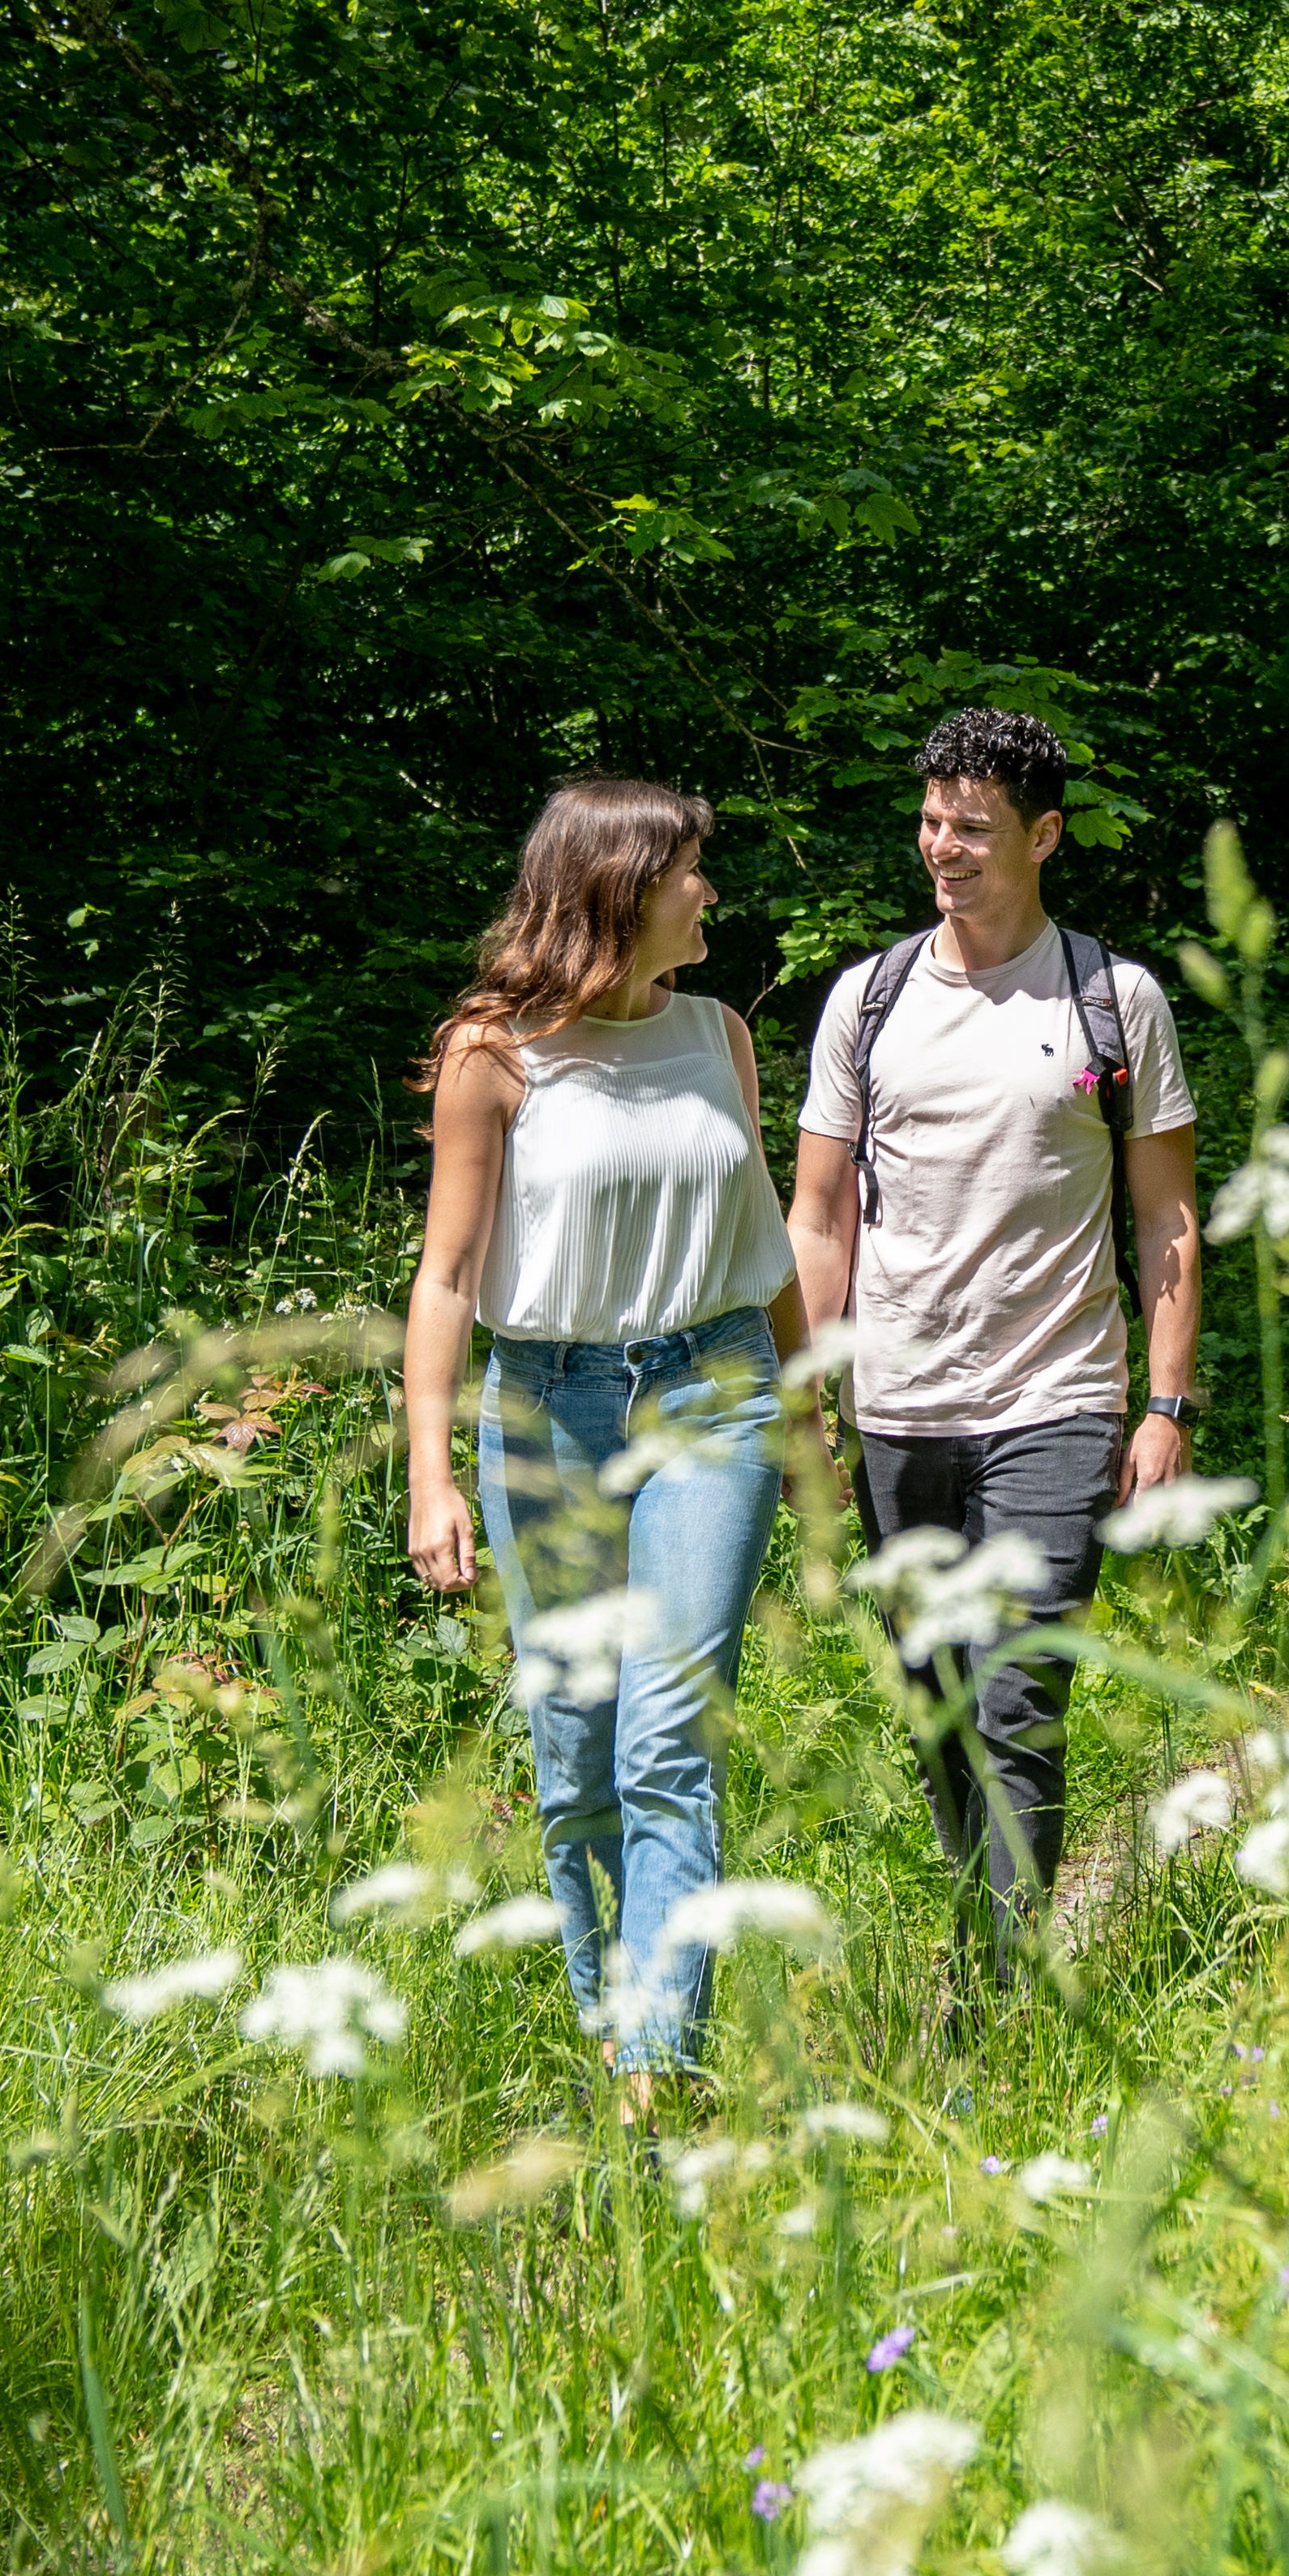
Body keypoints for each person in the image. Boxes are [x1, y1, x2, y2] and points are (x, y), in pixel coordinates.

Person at [403, 779, 806, 2119]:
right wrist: (432, 1471)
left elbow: (764, 1240)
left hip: (714, 1392)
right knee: (572, 1744)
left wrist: (809, 1408)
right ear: (621, 887)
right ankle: (602, 2006)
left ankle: (654, 2060)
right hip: (547, 1408)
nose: (710, 892)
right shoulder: (494, 1052)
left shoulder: (720, 1034)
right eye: (692, 870)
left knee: (666, 1742)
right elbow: (449, 1275)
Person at [790, 707, 1201, 2019]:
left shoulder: (1110, 996)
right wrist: (805, 1394)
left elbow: (1164, 1217)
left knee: (1017, 1693)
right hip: (900, 1404)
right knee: (940, 1704)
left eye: (972, 826)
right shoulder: (869, 999)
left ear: (1043, 834)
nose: (944, 849)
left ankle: (1003, 1994)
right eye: (929, 823)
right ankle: (986, 1924)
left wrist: (1166, 1402)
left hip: (1059, 1397)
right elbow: (818, 1217)